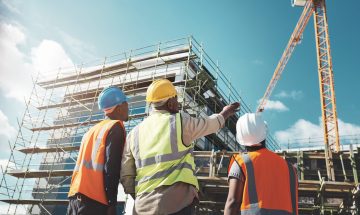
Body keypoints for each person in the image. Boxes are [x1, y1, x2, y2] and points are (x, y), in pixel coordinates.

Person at [120, 79, 240, 215]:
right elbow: (210, 124)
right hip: (177, 205)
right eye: (177, 100)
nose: (178, 104)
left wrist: (141, 198)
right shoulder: (179, 121)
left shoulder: (133, 134)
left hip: (142, 207)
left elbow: (126, 176)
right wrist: (225, 112)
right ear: (170, 102)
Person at [67, 86, 128, 215]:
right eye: (126, 103)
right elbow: (112, 167)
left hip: (74, 199)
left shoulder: (91, 131)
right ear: (119, 106)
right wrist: (112, 203)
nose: (129, 108)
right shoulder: (115, 126)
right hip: (95, 201)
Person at [224, 113, 298, 215]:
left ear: (241, 139)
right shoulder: (290, 168)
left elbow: (233, 202)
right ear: (264, 133)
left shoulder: (241, 162)